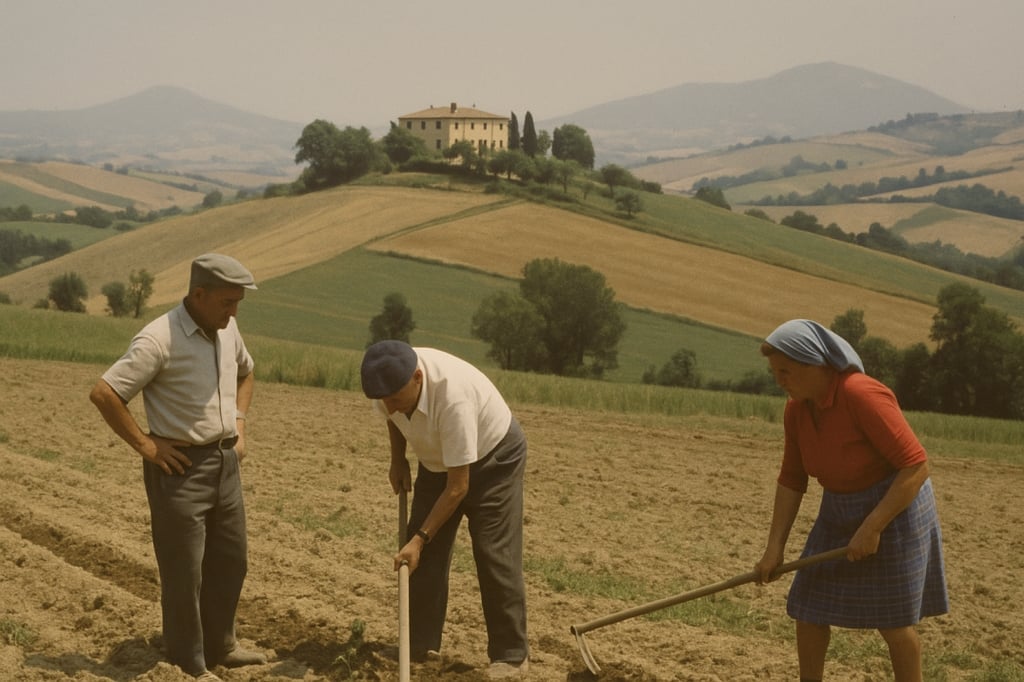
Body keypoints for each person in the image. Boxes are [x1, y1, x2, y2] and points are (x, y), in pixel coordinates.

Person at [89, 253, 265, 681]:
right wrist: (147, 446)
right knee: (184, 573)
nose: (234, 312)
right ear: (198, 295)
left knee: (231, 561)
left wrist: (239, 424)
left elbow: (247, 373)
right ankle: (190, 661)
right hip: (181, 469)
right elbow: (105, 393)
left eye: (238, 303)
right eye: (227, 302)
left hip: (225, 464)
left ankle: (222, 645)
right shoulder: (158, 339)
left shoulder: (228, 328)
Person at [754, 319, 948, 682]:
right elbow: (792, 479)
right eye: (775, 372)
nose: (779, 380)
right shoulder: (796, 410)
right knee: (808, 608)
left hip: (894, 506)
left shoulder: (861, 394)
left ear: (816, 365)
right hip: (839, 507)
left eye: (786, 371)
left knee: (892, 621)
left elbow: (916, 466)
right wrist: (774, 547)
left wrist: (873, 526)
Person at [360, 340, 529, 679]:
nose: (388, 405)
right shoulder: (387, 385)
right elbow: (393, 419)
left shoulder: (453, 397)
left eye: (394, 398)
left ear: (418, 378)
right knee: (420, 557)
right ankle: (419, 645)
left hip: (493, 457)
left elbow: (458, 488)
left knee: (493, 552)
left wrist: (420, 538)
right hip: (438, 461)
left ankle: (512, 656)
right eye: (383, 400)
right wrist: (398, 460)